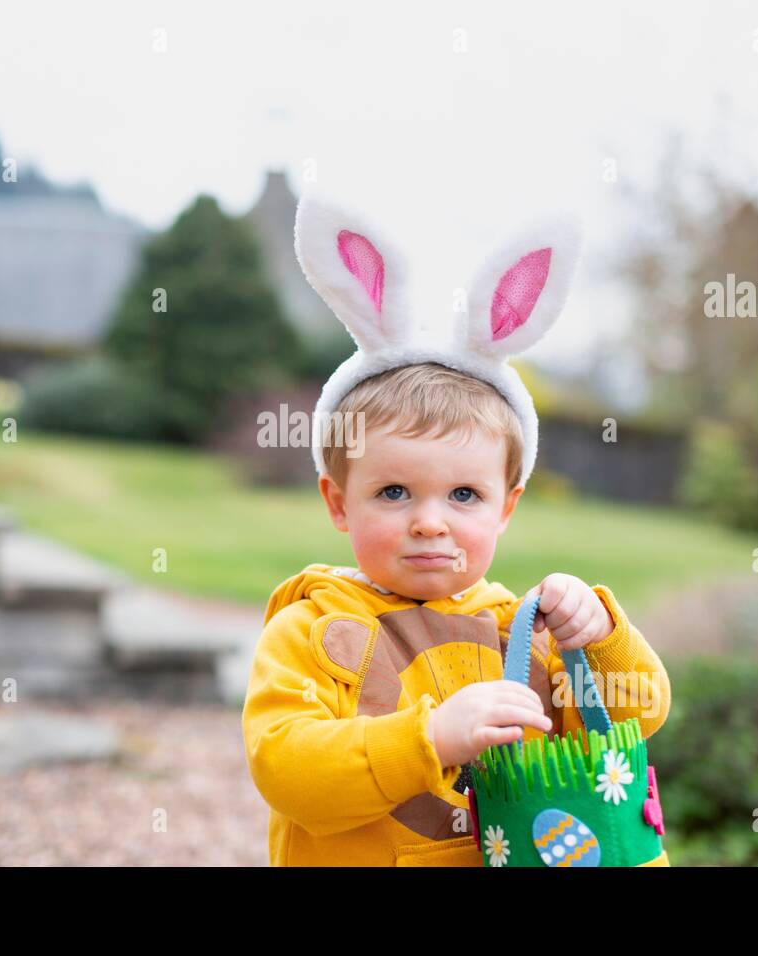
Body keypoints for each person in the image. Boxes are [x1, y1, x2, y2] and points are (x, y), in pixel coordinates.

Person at [242, 192, 671, 866]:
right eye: (393, 492)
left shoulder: (519, 635)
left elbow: (635, 715)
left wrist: (603, 637)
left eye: (465, 494)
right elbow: (288, 772)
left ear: (506, 504)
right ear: (338, 502)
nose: (429, 522)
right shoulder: (312, 631)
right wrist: (431, 739)